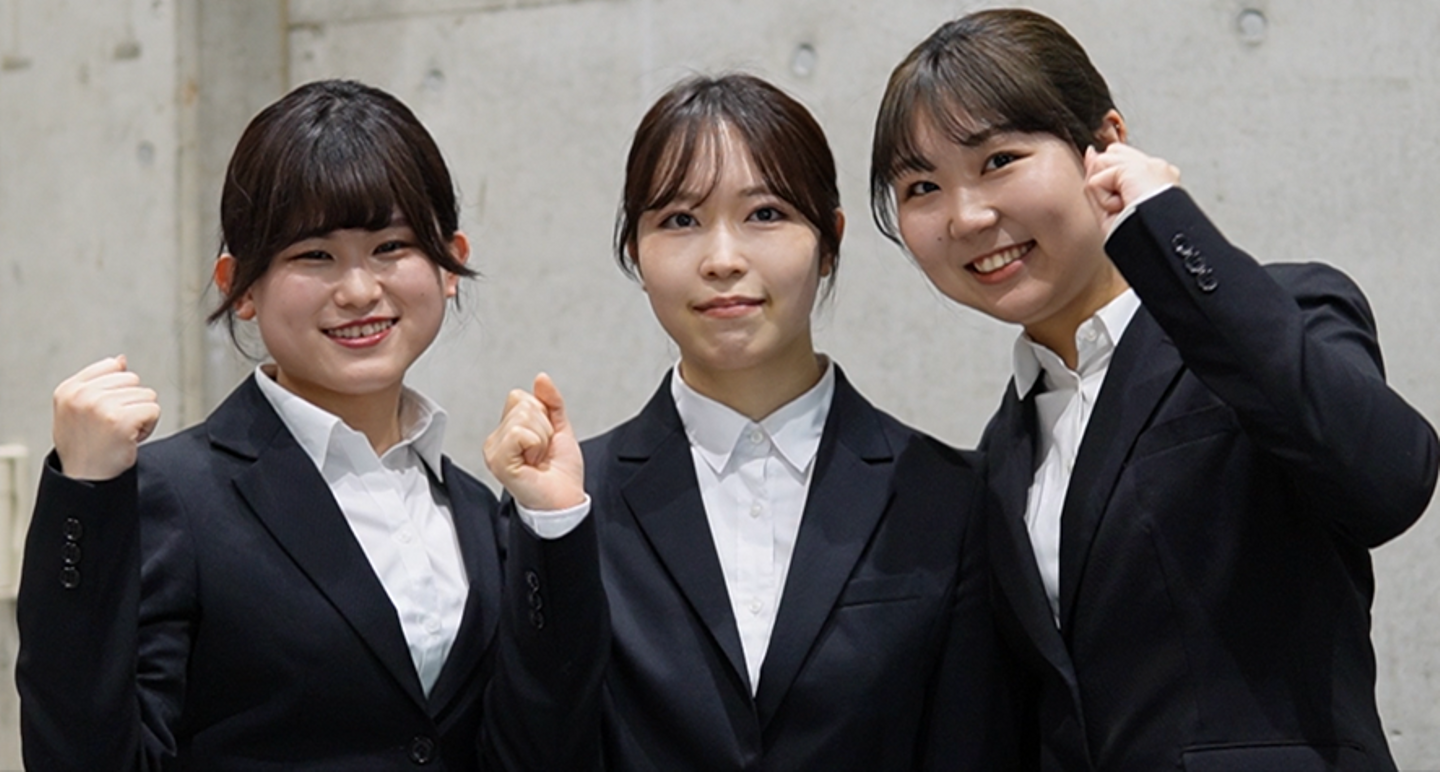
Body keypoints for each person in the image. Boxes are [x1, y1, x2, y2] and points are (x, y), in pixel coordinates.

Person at [869, 8, 1440, 771]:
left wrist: (1166, 224)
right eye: (922, 187)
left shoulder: (1277, 315)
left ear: (1104, 142)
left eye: (999, 160)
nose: (967, 216)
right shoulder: (1001, 454)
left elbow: (1391, 479)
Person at [15, 78, 600, 771]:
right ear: (239, 287)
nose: (359, 290)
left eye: (391, 246)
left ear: (452, 264)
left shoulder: (477, 511)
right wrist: (84, 493)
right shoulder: (174, 495)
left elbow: (542, 751)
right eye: (313, 255)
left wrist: (553, 529)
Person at [485, 72, 1020, 770]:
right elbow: (529, 755)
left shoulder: (948, 495)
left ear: (830, 243)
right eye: (680, 221)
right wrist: (555, 533)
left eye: (765, 214)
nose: (722, 260)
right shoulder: (569, 508)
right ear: (635, 254)